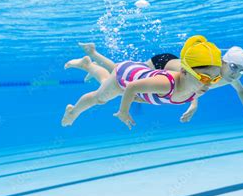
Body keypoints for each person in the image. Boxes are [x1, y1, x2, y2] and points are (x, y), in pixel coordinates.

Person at [77, 41, 243, 134]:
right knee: (124, 74)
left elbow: (241, 90)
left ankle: (92, 64)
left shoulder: (228, 77)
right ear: (223, 62)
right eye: (233, 67)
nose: (235, 74)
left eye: (241, 71)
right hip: (164, 63)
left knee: (120, 77)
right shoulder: (200, 70)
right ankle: (93, 60)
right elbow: (184, 84)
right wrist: (194, 104)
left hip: (179, 76)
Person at [61, 35, 222, 129]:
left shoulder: (195, 86)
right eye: (204, 78)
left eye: (216, 78)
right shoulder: (166, 84)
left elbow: (190, 93)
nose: (209, 85)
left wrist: (194, 105)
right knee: (99, 98)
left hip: (138, 74)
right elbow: (131, 87)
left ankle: (89, 61)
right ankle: (72, 112)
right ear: (184, 71)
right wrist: (124, 111)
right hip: (126, 76)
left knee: (106, 81)